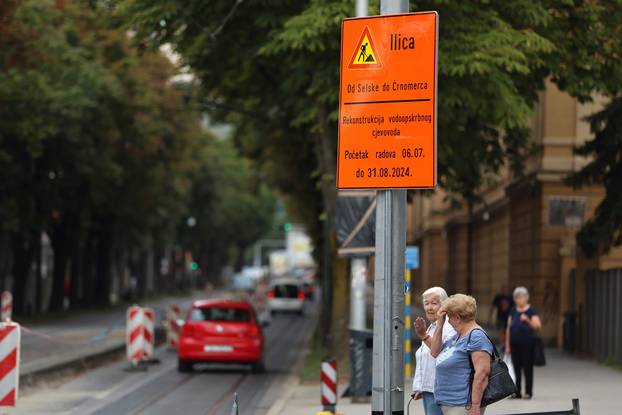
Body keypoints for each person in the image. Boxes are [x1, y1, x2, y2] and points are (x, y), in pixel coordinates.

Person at [430, 294, 494, 415]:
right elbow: (434, 352)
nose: (448, 320)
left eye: (449, 317)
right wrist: (440, 324)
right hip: (449, 404)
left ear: (458, 317)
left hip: (463, 406)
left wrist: (475, 405)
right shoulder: (458, 335)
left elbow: (482, 374)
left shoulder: (476, 336)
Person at [412, 287, 457, 415]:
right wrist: (419, 387)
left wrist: (423, 336)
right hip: (429, 390)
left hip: (441, 390)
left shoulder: (449, 327)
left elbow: (439, 352)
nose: (429, 307)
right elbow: (424, 360)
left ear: (444, 305)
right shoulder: (432, 327)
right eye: (426, 303)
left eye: (434, 303)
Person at [505, 286, 541, 400]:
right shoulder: (513, 310)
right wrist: (507, 345)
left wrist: (528, 320)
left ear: (526, 298)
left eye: (521, 297)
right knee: (516, 368)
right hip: (514, 344)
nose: (518, 300)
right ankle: (517, 391)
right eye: (517, 298)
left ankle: (528, 392)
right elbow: (508, 328)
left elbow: (538, 327)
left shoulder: (531, 311)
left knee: (527, 368)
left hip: (527, 345)